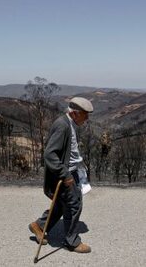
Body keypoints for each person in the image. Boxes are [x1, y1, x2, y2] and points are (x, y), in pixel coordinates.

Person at [29, 96, 93, 254]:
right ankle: (72, 241)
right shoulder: (62, 126)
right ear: (75, 113)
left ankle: (39, 226)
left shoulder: (69, 124)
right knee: (73, 205)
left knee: (60, 205)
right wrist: (65, 175)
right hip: (65, 174)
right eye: (85, 114)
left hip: (71, 171)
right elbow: (50, 155)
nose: (87, 118)